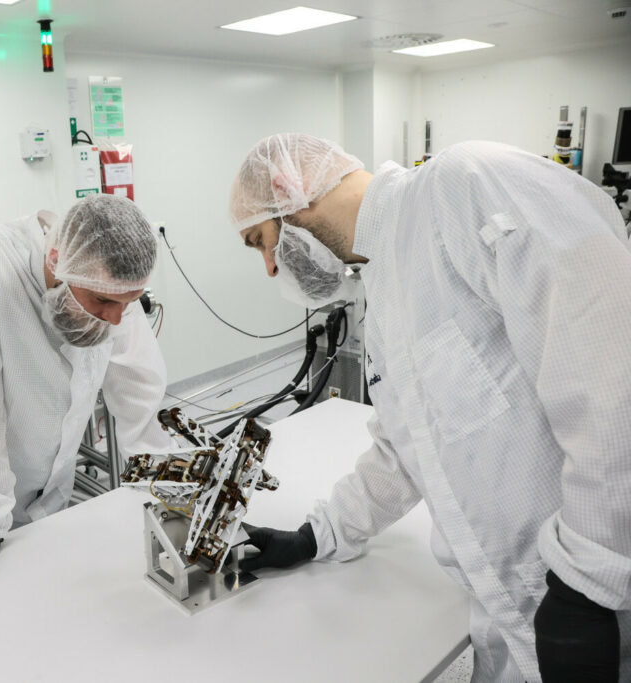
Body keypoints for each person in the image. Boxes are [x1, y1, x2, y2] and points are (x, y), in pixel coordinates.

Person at [229, 134, 630, 682]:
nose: (270, 268)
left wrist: (585, 585)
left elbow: (612, 380)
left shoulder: (465, 186)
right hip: (510, 616)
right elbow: (408, 446)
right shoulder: (384, 287)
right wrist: (317, 535)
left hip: (599, 608)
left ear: (287, 189)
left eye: (260, 241)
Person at [0, 194, 173, 572]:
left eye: (127, 303)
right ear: (55, 261)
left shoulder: (109, 281)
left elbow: (140, 391)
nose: (115, 319)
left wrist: (173, 488)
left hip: (41, 477)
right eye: (102, 301)